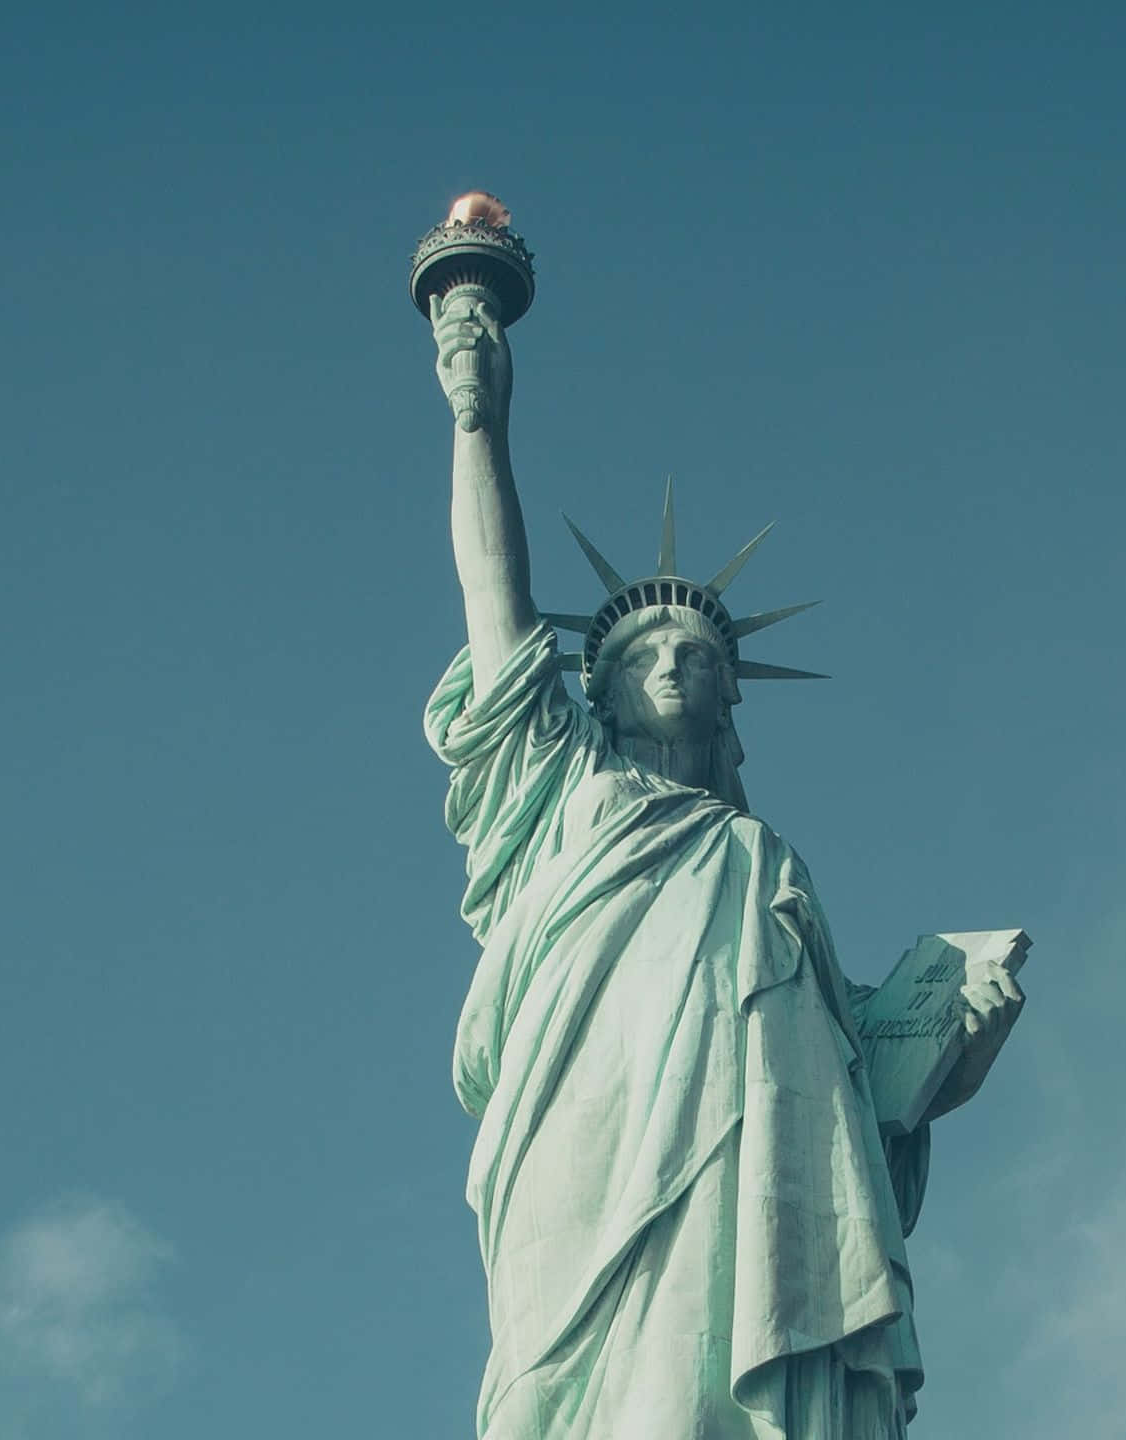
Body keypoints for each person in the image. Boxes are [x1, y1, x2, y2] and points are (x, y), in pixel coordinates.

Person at [422, 282, 1025, 1439]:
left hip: (755, 1167)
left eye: (694, 654)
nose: (668, 666)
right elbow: (495, 609)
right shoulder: (561, 792)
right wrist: (477, 419)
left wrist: (948, 1055)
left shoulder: (765, 863)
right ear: (595, 695)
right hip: (585, 1127)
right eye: (640, 654)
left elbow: (854, 1105)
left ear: (727, 697)